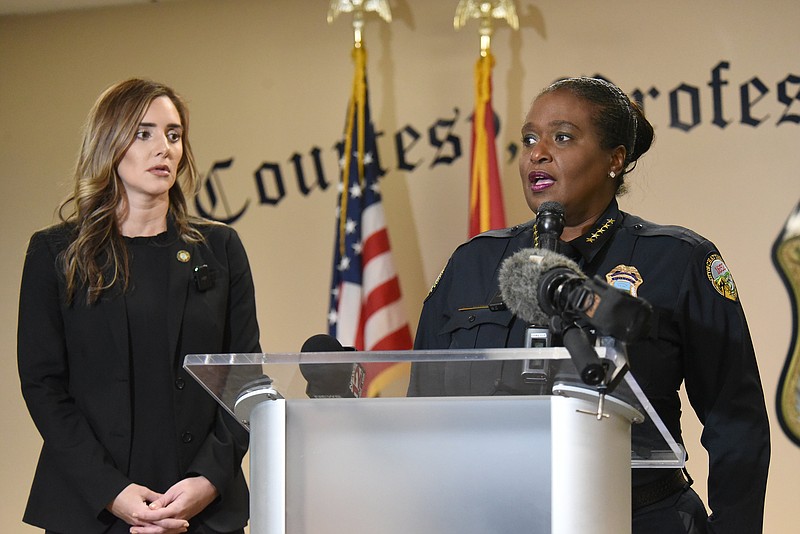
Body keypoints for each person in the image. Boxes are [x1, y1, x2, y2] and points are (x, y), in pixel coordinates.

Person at [408, 76, 770, 533]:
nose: (537, 153)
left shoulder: (678, 259)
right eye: (529, 139)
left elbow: (736, 421)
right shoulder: (473, 263)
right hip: (497, 518)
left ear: (614, 160)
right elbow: (422, 411)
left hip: (639, 517)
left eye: (562, 137)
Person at [17, 78, 260, 534]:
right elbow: (44, 385)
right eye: (143, 133)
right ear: (109, 144)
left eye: (173, 134)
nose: (164, 148)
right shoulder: (55, 252)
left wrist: (208, 480)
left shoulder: (221, 248)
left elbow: (245, 379)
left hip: (202, 512)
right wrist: (113, 491)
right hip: (91, 509)